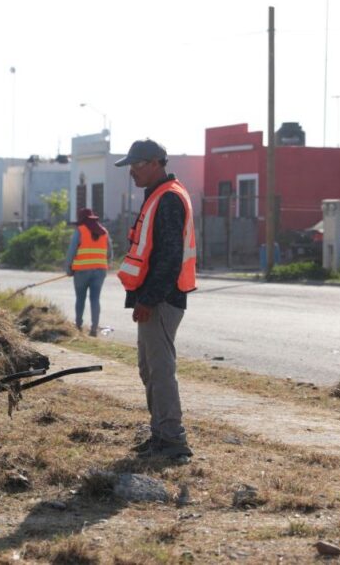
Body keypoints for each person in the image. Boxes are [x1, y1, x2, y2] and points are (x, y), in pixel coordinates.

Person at [115, 139, 197, 461]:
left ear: (154, 163)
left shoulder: (169, 199)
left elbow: (169, 258)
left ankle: (173, 442)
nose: (131, 173)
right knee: (149, 368)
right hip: (153, 299)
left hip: (162, 300)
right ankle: (160, 435)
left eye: (136, 166)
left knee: (160, 370)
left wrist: (148, 300)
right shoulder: (158, 196)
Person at [64, 207, 112, 337]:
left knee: (80, 298)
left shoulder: (80, 230)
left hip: (82, 271)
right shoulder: (104, 232)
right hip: (100, 271)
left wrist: (68, 269)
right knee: (95, 299)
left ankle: (78, 326)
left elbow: (71, 252)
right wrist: (104, 263)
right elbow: (110, 253)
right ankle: (93, 329)